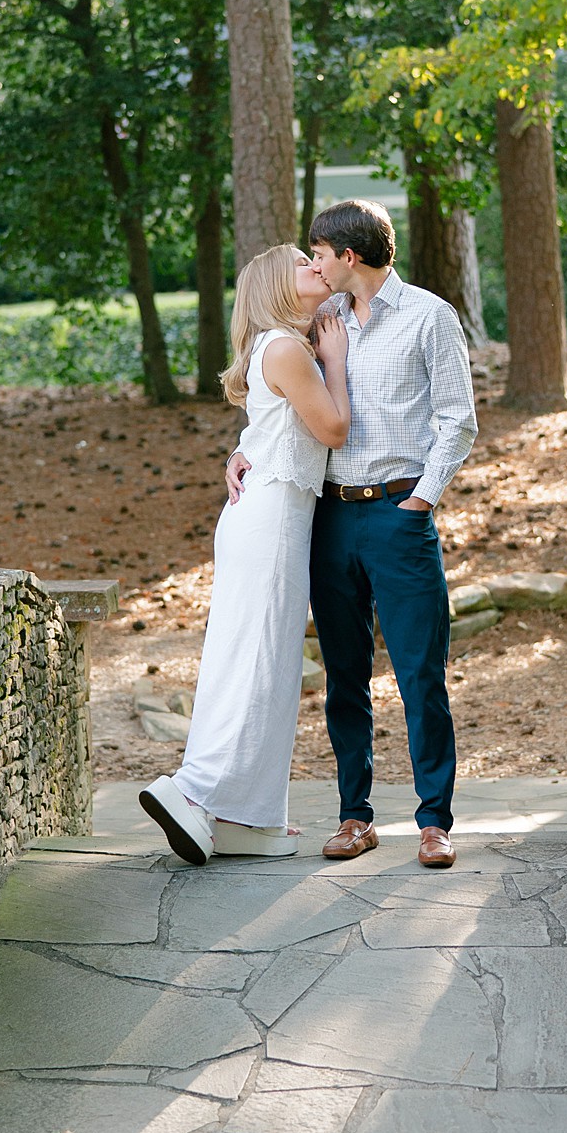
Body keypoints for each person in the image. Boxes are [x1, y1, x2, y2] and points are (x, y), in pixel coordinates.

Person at [227, 199, 477, 868]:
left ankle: (433, 822)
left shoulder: (430, 317)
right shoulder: (319, 323)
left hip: (399, 515)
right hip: (329, 519)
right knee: (344, 675)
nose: (310, 265)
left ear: (350, 256)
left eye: (318, 254)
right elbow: (281, 405)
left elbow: (458, 420)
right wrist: (243, 449)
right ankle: (355, 816)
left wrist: (422, 501)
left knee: (420, 672)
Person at [139, 245, 349, 866]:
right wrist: (333, 362)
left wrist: (236, 451)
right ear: (275, 287)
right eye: (299, 262)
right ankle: (194, 791)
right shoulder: (287, 348)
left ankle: (246, 818)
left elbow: (267, 428)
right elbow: (332, 429)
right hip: (271, 522)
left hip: (265, 514)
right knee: (254, 658)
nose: (314, 265)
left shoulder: (279, 346)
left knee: (268, 663)